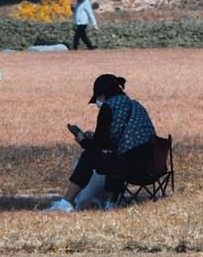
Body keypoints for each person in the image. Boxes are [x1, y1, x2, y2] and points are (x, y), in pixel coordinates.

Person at [48, 73, 156, 211]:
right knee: (116, 156)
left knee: (88, 157)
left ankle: (66, 203)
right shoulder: (135, 105)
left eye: (97, 98)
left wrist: (83, 141)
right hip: (151, 166)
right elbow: (120, 140)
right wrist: (95, 138)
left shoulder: (108, 107)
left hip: (132, 168)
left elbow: (97, 148)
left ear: (102, 94)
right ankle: (112, 203)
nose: (97, 103)